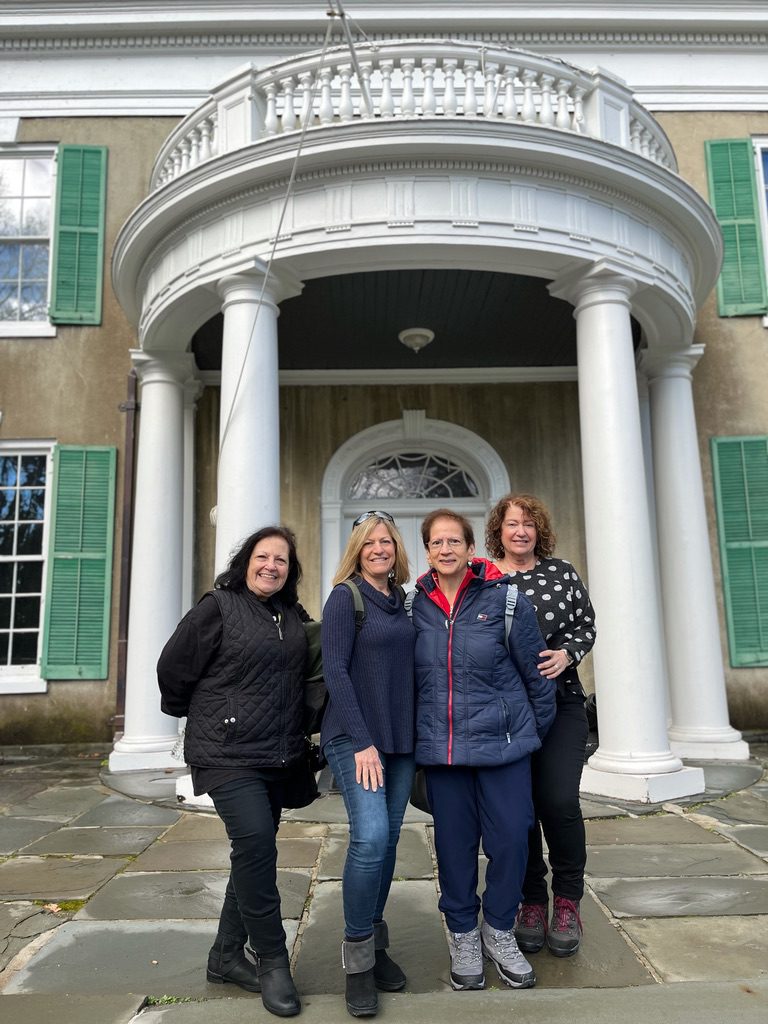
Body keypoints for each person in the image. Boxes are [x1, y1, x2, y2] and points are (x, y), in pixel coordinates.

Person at [157, 525, 309, 1018]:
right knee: (257, 844)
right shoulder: (218, 606)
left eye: (281, 560)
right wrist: (211, 715)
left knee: (253, 853)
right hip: (225, 753)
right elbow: (173, 668)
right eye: (263, 557)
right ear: (246, 561)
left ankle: (224, 956)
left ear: (290, 570)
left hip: (276, 754)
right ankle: (271, 959)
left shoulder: (290, 614)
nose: (271, 566)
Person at [410, 509, 556, 993]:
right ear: (427, 551)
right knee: (454, 851)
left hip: (503, 747)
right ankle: (463, 935)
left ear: (470, 547)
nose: (446, 549)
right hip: (444, 752)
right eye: (436, 542)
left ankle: (498, 930)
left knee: (513, 839)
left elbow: (536, 674)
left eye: (455, 541)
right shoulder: (414, 607)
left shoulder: (506, 601)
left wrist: (529, 731)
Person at [486, 494, 596, 958]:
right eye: (512, 524)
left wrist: (568, 653)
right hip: (510, 710)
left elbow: (586, 624)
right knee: (521, 808)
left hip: (563, 702)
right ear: (500, 531)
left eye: (528, 524)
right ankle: (532, 900)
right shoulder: (485, 580)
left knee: (558, 799)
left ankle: (567, 899)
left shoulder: (562, 572)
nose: (520, 532)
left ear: (539, 531)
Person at [321, 511, 415, 1018]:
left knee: (391, 840)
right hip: (355, 738)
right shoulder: (345, 597)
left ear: (397, 549)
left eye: (387, 541)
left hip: (400, 739)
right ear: (356, 549)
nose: (379, 548)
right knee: (371, 837)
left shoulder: (403, 601)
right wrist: (361, 741)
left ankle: (376, 946)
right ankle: (356, 960)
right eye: (369, 542)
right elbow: (335, 668)